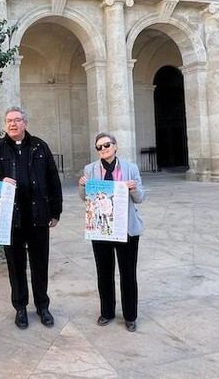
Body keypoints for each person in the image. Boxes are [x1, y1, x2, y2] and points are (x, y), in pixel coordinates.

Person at [0, 106, 63, 329]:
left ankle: (42, 305)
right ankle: (20, 307)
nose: (12, 124)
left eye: (17, 120)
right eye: (9, 120)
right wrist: (0, 181)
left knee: (40, 263)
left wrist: (55, 211)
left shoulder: (40, 146)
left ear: (25, 123)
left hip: (38, 217)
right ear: (5, 124)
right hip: (12, 220)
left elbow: (53, 180)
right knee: (16, 265)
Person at [78, 132, 145, 332]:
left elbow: (140, 198)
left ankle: (130, 316)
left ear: (115, 146)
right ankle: (106, 312)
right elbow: (85, 198)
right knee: (104, 272)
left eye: (107, 145)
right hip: (101, 229)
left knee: (128, 273)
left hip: (126, 230)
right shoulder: (90, 170)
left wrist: (132, 189)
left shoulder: (130, 168)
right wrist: (82, 185)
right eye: (99, 147)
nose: (103, 149)